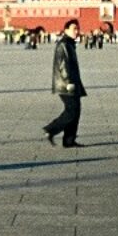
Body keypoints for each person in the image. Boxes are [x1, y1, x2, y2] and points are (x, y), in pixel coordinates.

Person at [43, 19, 87, 148]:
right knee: (72, 111)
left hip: (72, 83)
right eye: (74, 29)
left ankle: (69, 140)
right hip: (66, 84)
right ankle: (51, 129)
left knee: (75, 111)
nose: (77, 31)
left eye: (78, 29)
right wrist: (68, 82)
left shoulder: (69, 43)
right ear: (66, 30)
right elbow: (63, 65)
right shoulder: (64, 44)